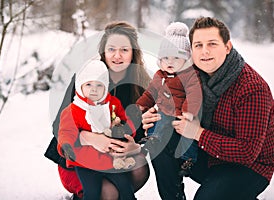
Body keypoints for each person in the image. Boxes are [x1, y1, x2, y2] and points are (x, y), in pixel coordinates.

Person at [142, 16, 274, 200]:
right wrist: (150, 117)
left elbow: (247, 152)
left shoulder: (251, 88)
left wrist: (197, 133)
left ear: (227, 47)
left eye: (212, 44)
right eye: (198, 45)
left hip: (250, 167)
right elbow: (165, 99)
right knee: (159, 139)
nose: (204, 52)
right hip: (210, 154)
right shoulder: (191, 74)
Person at [44, 21, 151, 200]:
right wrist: (88, 137)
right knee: (109, 193)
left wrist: (134, 146)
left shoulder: (141, 85)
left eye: (124, 49)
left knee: (139, 167)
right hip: (78, 161)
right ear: (103, 51)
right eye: (111, 49)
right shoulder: (87, 79)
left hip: (111, 161)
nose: (117, 55)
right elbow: (59, 127)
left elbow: (141, 131)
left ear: (133, 52)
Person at [57, 59, 138, 199]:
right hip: (84, 162)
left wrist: (123, 130)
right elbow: (66, 132)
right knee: (92, 193)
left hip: (110, 160)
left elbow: (127, 122)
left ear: (106, 87)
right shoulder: (72, 110)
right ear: (80, 86)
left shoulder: (112, 104)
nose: (94, 89)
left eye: (99, 85)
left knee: (125, 188)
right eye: (88, 84)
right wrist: (67, 146)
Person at [136, 22, 202, 177]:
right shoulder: (160, 75)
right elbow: (151, 92)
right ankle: (153, 139)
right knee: (157, 121)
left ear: (186, 59)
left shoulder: (189, 75)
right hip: (165, 111)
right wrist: (141, 105)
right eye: (166, 58)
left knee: (188, 137)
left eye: (176, 58)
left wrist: (187, 112)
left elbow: (194, 95)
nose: (170, 62)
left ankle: (189, 160)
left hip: (182, 115)